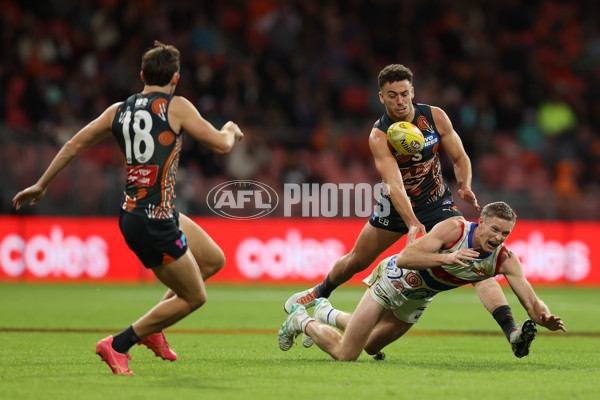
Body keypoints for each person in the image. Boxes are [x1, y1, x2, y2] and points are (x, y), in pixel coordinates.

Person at [12, 41, 244, 375]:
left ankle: (155, 328)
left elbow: (73, 143)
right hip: (154, 221)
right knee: (196, 297)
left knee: (212, 259)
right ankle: (119, 344)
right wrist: (232, 130)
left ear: (141, 75)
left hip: (143, 212)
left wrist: (42, 184)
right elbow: (222, 145)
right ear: (175, 79)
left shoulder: (119, 110)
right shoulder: (176, 106)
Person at [285, 64, 521, 355]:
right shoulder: (379, 135)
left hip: (437, 202)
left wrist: (464, 185)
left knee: (475, 260)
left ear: (413, 92)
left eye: (404, 94)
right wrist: (411, 222)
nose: (400, 100)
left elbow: (460, 156)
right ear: (381, 98)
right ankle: (317, 295)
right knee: (357, 260)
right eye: (392, 95)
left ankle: (510, 330)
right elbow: (395, 186)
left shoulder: (435, 117)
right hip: (397, 206)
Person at [278, 202, 566, 361]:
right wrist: (447, 259)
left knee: (370, 346)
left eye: (506, 234)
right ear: (481, 222)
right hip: (393, 283)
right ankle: (301, 319)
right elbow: (405, 258)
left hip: (417, 300)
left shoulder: (504, 259)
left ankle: (326, 312)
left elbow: (530, 300)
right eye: (495, 230)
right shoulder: (454, 230)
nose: (499, 238)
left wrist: (544, 317)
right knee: (347, 353)